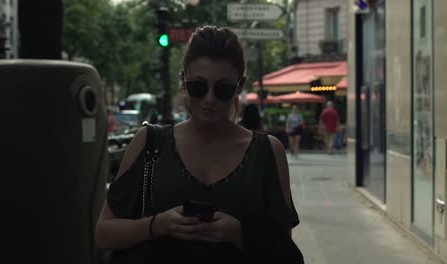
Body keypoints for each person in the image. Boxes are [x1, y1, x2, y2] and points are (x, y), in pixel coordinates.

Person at [95, 26, 302, 263]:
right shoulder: (150, 142)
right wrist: (158, 224)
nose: (210, 99)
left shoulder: (266, 151)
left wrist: (239, 234)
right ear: (183, 81)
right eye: (198, 87)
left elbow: (285, 252)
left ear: (240, 86)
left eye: (223, 89)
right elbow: (104, 233)